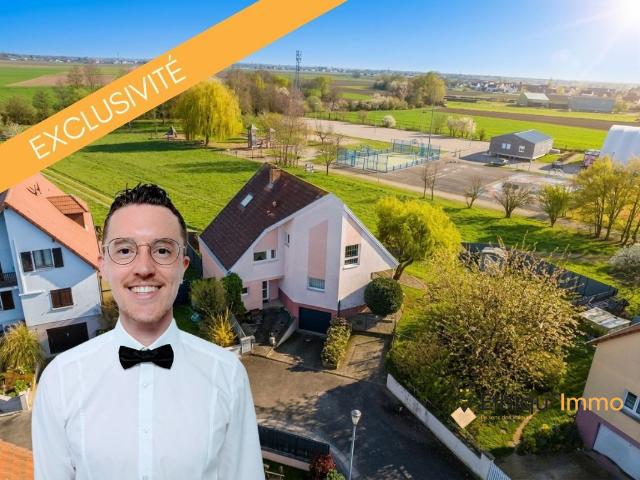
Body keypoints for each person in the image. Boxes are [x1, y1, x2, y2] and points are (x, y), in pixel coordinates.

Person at [32, 184, 265, 480]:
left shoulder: (228, 375)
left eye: (162, 250)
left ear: (183, 266)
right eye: (125, 250)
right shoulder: (60, 381)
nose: (144, 267)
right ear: (103, 266)